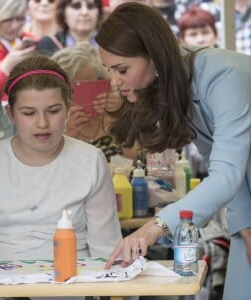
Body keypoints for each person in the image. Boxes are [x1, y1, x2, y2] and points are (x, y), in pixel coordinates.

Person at [95, 3, 251, 300]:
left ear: (153, 57)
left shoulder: (223, 76)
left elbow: (227, 176)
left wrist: (155, 227)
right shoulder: (182, 86)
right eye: (110, 70)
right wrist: (245, 226)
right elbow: (230, 172)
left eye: (122, 69)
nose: (114, 81)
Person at [0, 54, 122, 268]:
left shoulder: (90, 160)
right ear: (10, 114)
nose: (42, 123)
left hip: (72, 289)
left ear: (68, 107)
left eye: (53, 111)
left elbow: (108, 252)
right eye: (29, 113)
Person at [52, 42, 139, 163]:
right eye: (68, 90)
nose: (73, 97)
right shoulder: (48, 123)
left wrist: (120, 121)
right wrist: (67, 137)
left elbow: (137, 166)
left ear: (103, 83)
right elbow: (48, 174)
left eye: (83, 88)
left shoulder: (122, 111)